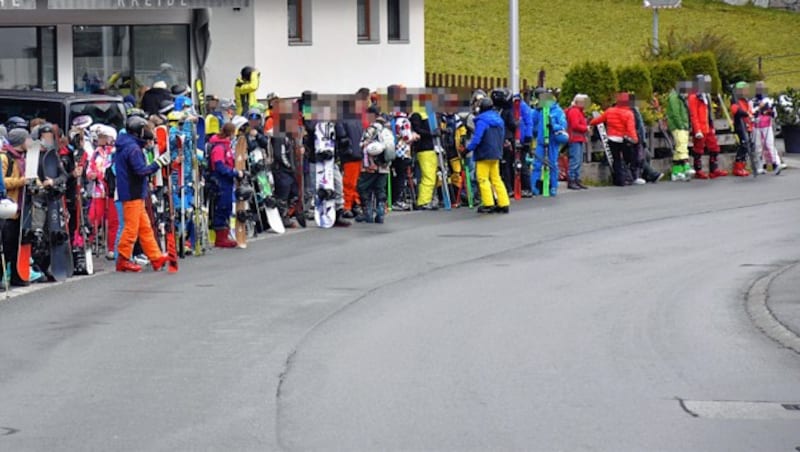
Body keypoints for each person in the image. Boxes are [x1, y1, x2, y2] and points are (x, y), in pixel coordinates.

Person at [114, 116, 173, 272]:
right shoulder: (132, 149)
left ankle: (156, 257)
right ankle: (123, 259)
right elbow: (141, 171)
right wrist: (159, 162)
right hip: (132, 192)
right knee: (131, 229)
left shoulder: (128, 145)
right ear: (138, 131)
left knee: (145, 227)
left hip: (134, 191)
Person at [467, 97, 510, 214]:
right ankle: (503, 202)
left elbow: (477, 139)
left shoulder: (482, 121)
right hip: (496, 153)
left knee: (483, 178)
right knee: (496, 179)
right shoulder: (499, 120)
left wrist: (468, 149)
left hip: (484, 153)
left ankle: (488, 203)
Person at [589, 93, 641, 186]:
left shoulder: (610, 111)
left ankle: (619, 180)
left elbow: (599, 119)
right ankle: (627, 178)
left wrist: (591, 123)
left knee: (616, 159)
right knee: (626, 159)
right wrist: (635, 139)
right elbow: (631, 128)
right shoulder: (629, 113)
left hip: (612, 138)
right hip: (623, 139)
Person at [1, 128, 31, 286]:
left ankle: (16, 275)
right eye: (27, 139)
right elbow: (3, 182)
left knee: (15, 246)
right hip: (8, 208)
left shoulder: (23, 158)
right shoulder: (5, 157)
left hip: (20, 208)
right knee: (5, 245)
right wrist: (21, 181)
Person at [208, 121, 244, 247]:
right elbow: (219, 166)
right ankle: (220, 239)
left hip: (227, 182)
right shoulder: (219, 147)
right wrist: (233, 173)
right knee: (222, 208)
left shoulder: (226, 146)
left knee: (227, 207)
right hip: (220, 182)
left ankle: (225, 235)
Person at [86, 125, 119, 260]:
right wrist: (92, 174)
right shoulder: (96, 153)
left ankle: (112, 248)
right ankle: (86, 245)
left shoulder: (116, 152)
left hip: (112, 191)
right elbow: (89, 169)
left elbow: (112, 170)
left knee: (113, 220)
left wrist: (101, 175)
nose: (99, 139)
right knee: (93, 217)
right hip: (98, 191)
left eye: (102, 137)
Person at [356, 110, 394, 224]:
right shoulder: (387, 131)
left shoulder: (371, 129)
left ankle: (367, 212)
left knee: (363, 187)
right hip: (384, 166)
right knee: (380, 189)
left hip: (371, 165)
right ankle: (380, 210)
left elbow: (363, 145)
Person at [688, 75, 728, 179]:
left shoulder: (706, 96)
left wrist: (712, 126)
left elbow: (709, 112)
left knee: (714, 148)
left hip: (707, 126)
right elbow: (693, 115)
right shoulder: (693, 97)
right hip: (700, 127)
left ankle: (714, 170)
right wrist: (697, 130)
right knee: (698, 149)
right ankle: (698, 170)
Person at [532, 89, 570, 194]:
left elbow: (563, 126)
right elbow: (532, 122)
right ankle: (534, 187)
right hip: (541, 141)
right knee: (537, 164)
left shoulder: (557, 111)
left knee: (553, 164)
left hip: (552, 141)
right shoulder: (539, 110)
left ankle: (553, 186)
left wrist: (553, 125)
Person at [336, 98, 365, 218]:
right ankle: (356, 204)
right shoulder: (358, 121)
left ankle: (347, 206)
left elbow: (341, 137)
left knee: (348, 182)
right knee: (356, 182)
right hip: (359, 154)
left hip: (349, 155)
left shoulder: (340, 121)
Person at [751, 81, 785, 175]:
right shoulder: (752, 101)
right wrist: (758, 109)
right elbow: (751, 113)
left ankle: (776, 163)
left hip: (767, 125)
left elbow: (774, 113)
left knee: (769, 144)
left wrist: (770, 112)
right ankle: (760, 165)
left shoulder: (768, 100)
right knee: (758, 146)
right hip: (756, 126)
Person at [409, 100, 437, 210]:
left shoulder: (429, 115)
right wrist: (431, 134)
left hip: (430, 148)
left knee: (430, 176)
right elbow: (417, 130)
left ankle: (426, 199)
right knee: (428, 176)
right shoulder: (417, 114)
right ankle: (424, 201)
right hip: (424, 149)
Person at [666, 81, 693, 181]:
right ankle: (686, 165)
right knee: (682, 146)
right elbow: (675, 113)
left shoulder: (681, 97)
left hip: (683, 125)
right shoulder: (674, 97)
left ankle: (676, 171)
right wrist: (681, 125)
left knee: (679, 149)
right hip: (678, 126)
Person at [565, 94, 590, 189]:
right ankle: (572, 180)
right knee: (575, 160)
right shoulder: (574, 111)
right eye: (583, 102)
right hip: (574, 138)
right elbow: (575, 125)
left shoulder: (577, 111)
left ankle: (576, 179)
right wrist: (586, 128)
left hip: (578, 137)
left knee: (578, 160)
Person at [731, 81, 754, 177]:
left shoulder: (745, 100)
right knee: (744, 145)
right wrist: (746, 114)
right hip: (740, 126)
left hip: (747, 125)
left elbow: (748, 111)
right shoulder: (735, 100)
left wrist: (751, 115)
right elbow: (735, 110)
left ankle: (742, 166)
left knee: (748, 145)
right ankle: (738, 167)